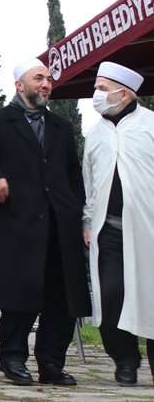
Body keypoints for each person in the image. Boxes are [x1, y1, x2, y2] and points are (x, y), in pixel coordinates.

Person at [0, 60, 88, 387]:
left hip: (61, 225)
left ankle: (51, 363)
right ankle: (13, 358)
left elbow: (73, 174)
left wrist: (77, 213)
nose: (46, 84)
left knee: (61, 298)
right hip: (20, 223)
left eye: (49, 79)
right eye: (38, 78)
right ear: (20, 85)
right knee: (19, 296)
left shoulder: (61, 127)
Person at [81, 61, 153, 386]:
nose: (96, 94)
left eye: (102, 88)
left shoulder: (150, 125)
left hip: (149, 229)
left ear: (123, 93)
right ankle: (124, 359)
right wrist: (87, 221)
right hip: (108, 230)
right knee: (111, 295)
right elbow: (89, 182)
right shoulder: (95, 134)